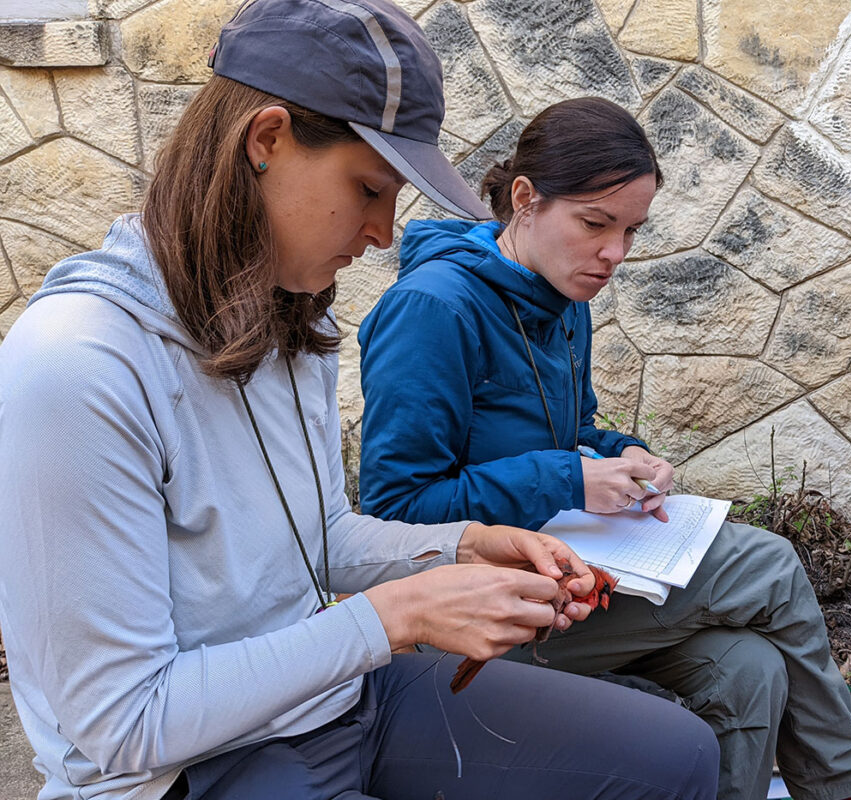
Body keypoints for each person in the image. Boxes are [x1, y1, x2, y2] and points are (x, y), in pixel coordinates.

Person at [0, 3, 720, 799]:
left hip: (333, 699)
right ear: (266, 141)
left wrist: (469, 545)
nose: (383, 231)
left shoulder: (294, 313)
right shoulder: (76, 366)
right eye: (371, 188)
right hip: (183, 769)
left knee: (678, 756)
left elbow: (319, 535)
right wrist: (396, 617)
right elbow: (122, 722)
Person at [356, 97, 851, 800]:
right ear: (526, 201)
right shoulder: (433, 309)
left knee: (749, 670)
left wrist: (626, 455)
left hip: (576, 581)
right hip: (487, 610)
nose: (615, 254)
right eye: (596, 224)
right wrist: (567, 478)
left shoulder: (563, 301)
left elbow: (574, 434)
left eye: (630, 231)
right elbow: (396, 508)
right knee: (770, 565)